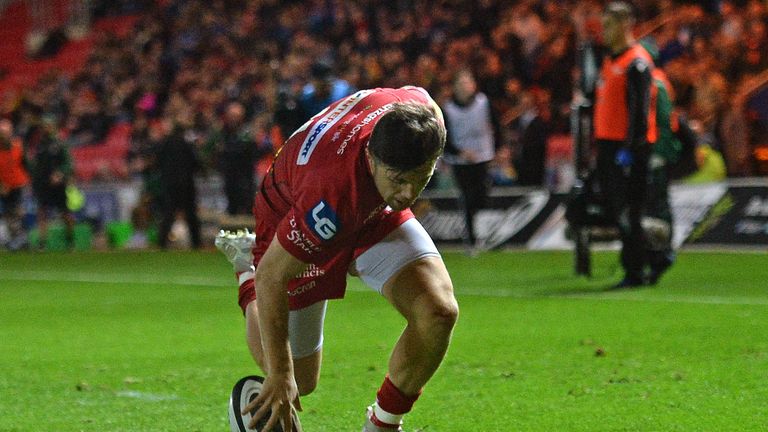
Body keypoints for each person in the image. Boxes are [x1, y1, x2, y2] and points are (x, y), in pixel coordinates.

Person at [215, 86, 458, 432]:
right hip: (294, 212)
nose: (408, 193)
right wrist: (281, 376)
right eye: (400, 180)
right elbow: (273, 276)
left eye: (420, 178)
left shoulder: (422, 121)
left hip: (371, 206)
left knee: (438, 310)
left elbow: (422, 95)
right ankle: (243, 271)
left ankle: (382, 424)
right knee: (299, 379)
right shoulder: (328, 197)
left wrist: (392, 186)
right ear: (372, 159)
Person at [593, 2, 655, 288]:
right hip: (609, 148)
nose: (603, 32)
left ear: (624, 25)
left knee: (630, 211)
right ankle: (650, 258)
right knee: (617, 210)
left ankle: (638, 269)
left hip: (627, 149)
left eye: (608, 25)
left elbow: (640, 113)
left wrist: (631, 149)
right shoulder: (610, 61)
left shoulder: (636, 63)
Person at [441, 69, 497, 251]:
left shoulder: (484, 103)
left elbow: (496, 125)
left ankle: (482, 232)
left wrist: (501, 148)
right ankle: (471, 238)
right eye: (462, 83)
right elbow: (444, 139)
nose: (466, 87)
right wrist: (461, 153)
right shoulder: (448, 109)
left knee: (482, 195)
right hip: (461, 161)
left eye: (468, 82)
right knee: (467, 197)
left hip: (483, 157)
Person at [27, 114, 75, 250]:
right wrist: (34, 182)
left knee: (65, 213)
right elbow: (36, 165)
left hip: (58, 184)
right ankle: (42, 242)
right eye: (44, 126)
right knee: (42, 212)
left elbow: (68, 163)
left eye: (48, 125)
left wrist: (60, 173)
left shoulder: (60, 143)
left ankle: (70, 239)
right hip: (42, 184)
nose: (45, 128)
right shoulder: (39, 144)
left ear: (53, 126)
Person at [156, 108, 202, 249]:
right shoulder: (187, 144)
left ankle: (162, 243)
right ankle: (196, 243)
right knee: (191, 214)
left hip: (170, 183)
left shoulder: (165, 143)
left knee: (168, 214)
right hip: (186, 183)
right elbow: (196, 162)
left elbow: (158, 162)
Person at [0, 119, 30, 250]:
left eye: (6, 132)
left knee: (18, 211)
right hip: (3, 187)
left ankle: (22, 239)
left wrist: (28, 181)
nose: (4, 135)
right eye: (2, 133)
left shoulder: (18, 146)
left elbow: (25, 165)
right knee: (8, 214)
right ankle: (13, 239)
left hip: (18, 184)